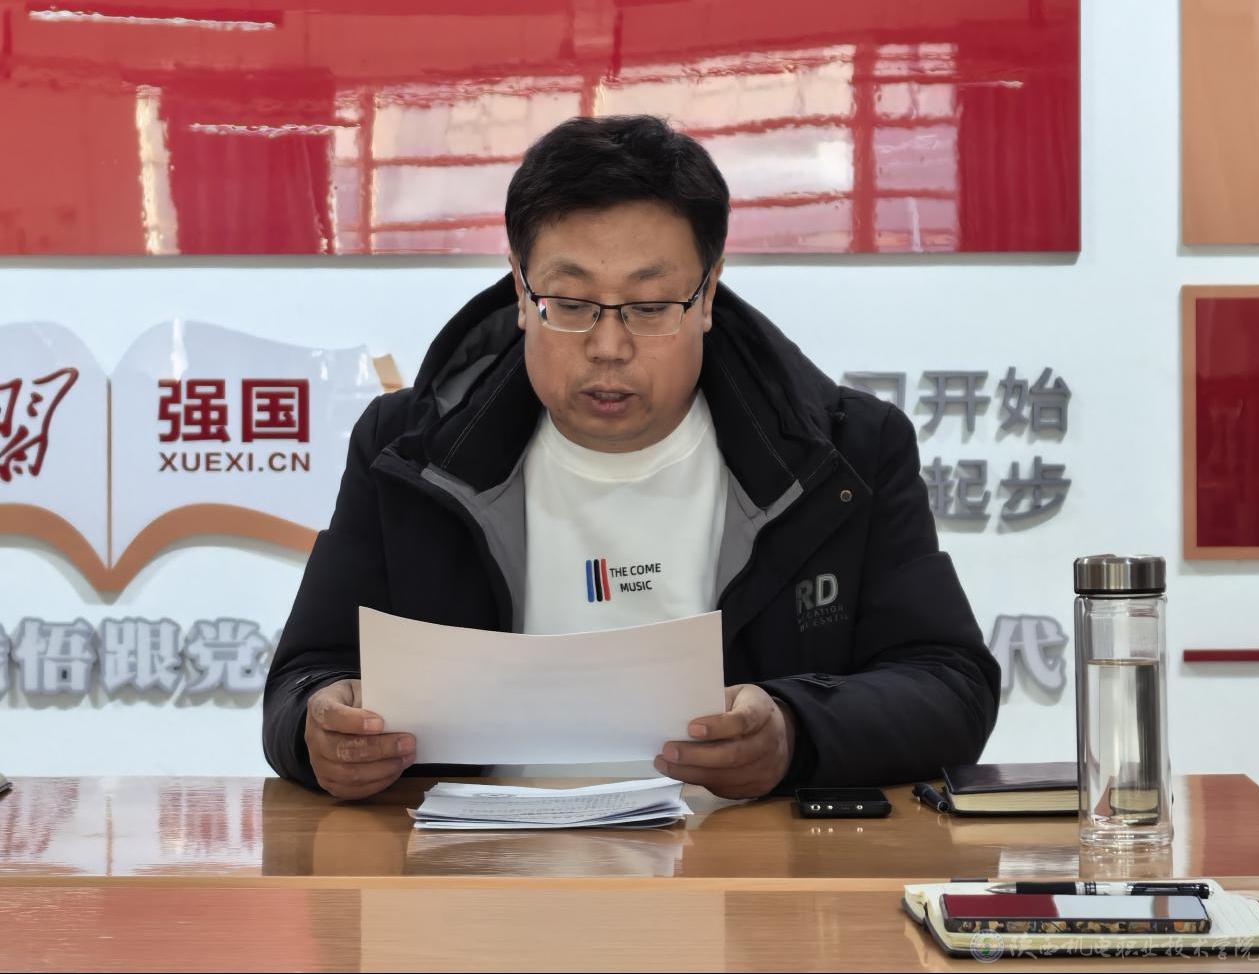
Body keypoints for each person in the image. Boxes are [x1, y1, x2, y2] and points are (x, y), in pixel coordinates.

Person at [263, 114, 1000, 801]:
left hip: (735, 877)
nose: (608, 346)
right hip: (476, 872)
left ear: (707, 294)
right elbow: (306, 678)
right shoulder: (408, 451)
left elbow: (950, 686)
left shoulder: (846, 453)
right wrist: (321, 730)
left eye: (649, 309)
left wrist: (793, 731)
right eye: (570, 304)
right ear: (520, 289)